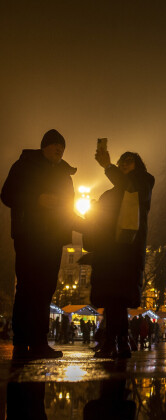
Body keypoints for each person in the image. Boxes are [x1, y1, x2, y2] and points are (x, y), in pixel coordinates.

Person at [1, 130, 75, 360]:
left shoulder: (65, 174)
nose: (59, 150)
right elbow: (7, 194)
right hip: (29, 235)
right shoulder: (24, 165)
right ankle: (22, 341)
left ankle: (40, 341)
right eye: (54, 145)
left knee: (45, 289)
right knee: (27, 286)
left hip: (53, 238)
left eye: (62, 147)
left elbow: (70, 204)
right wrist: (36, 199)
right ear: (43, 147)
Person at [83, 149, 154, 359]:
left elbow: (130, 188)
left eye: (129, 161)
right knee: (115, 300)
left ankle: (114, 342)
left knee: (117, 298)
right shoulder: (110, 194)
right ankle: (120, 342)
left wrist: (107, 167)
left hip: (127, 250)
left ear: (138, 166)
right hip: (108, 252)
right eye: (121, 161)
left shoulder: (143, 182)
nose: (123, 163)